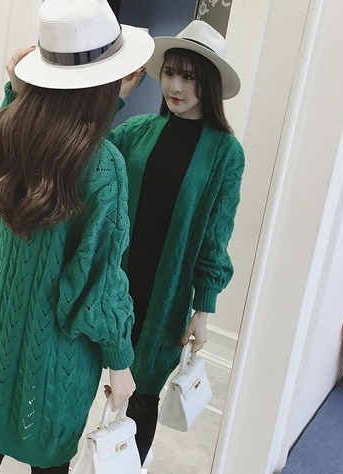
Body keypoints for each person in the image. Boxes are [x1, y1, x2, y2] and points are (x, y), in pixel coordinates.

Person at [0, 1, 154, 473]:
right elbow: (98, 281)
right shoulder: (105, 165)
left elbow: (2, 156)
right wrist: (120, 362)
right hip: (56, 357)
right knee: (49, 467)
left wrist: (16, 94)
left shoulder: (5, 133)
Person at [108, 19, 245, 466]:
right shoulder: (138, 130)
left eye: (189, 76)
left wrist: (203, 311)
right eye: (169, 73)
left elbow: (216, 235)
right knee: (89, 382)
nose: (175, 86)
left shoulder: (225, 152)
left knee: (142, 395)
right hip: (113, 283)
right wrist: (116, 97)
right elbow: (87, 150)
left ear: (208, 85)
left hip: (163, 295)